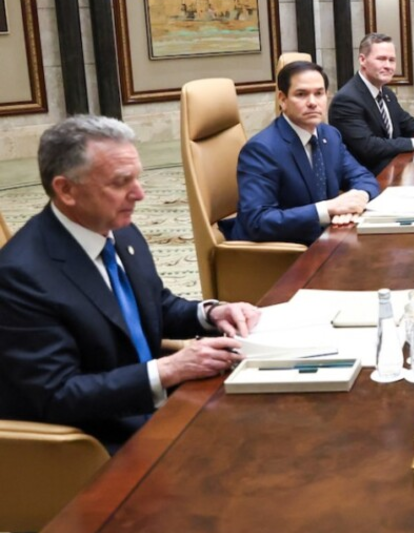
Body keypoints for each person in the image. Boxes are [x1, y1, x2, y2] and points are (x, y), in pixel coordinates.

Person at [0, 117, 259, 452]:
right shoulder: (21, 276)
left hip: (157, 408)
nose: (139, 194)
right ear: (66, 190)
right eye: (121, 182)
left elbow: (153, 305)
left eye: (137, 177)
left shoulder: (118, 228)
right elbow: (58, 395)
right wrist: (166, 371)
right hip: (96, 445)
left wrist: (210, 313)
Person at [224, 60, 381, 245]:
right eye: (301, 94)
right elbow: (257, 221)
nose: (312, 103)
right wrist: (328, 209)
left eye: (319, 93)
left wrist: (357, 199)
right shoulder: (262, 150)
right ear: (282, 100)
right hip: (281, 249)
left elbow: (363, 177)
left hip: (326, 237)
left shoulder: (329, 135)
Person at [329, 33, 414, 174]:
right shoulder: (346, 100)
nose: (388, 66)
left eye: (391, 60)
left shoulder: (387, 93)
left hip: (394, 169)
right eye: (381, 59)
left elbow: (406, 122)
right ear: (362, 60)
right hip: (367, 177)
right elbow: (369, 147)